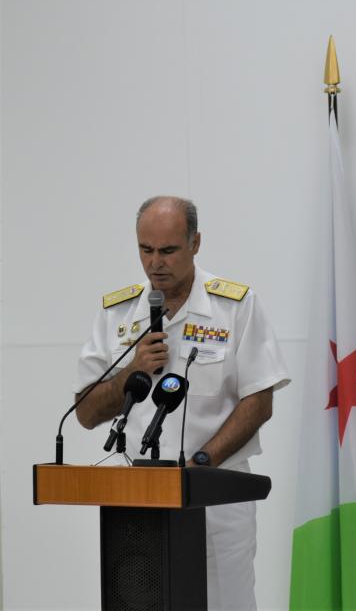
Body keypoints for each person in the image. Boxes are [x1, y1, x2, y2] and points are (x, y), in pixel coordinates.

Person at [73, 195, 290, 610]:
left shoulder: (234, 307)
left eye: (169, 250)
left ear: (196, 243)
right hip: (137, 504)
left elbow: (259, 401)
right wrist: (130, 371)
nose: (156, 262)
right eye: (146, 249)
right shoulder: (116, 314)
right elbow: (84, 413)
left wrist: (200, 467)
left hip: (215, 498)